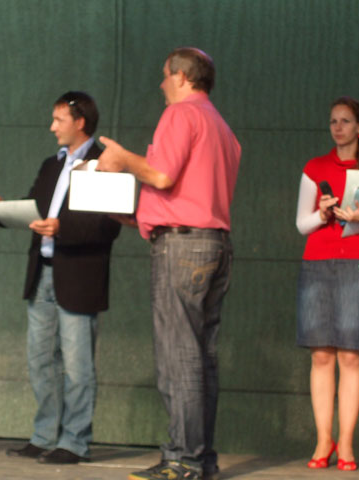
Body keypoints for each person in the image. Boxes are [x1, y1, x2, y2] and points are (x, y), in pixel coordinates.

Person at [97, 47, 241, 480]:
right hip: (214, 243)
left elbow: (162, 175)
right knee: (201, 357)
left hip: (182, 248)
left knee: (179, 356)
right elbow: (191, 191)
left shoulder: (181, 114)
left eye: (164, 75)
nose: (161, 84)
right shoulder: (222, 128)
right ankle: (200, 458)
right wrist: (138, 214)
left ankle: (184, 460)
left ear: (181, 75)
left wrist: (122, 160)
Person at [4, 91, 121, 464]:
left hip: (79, 276)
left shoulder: (104, 162)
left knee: (77, 365)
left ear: (80, 121)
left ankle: (74, 442)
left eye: (59, 120)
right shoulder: (51, 165)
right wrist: (0, 213)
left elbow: (108, 225)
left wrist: (61, 229)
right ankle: (45, 436)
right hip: (42, 273)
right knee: (41, 360)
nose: (52, 127)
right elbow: (35, 207)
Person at [295, 97, 359, 471]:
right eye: (333, 121)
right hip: (317, 264)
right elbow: (302, 224)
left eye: (345, 121)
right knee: (321, 354)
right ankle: (324, 439)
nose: (337, 128)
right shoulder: (315, 167)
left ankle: (348, 443)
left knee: (350, 355)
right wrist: (322, 214)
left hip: (358, 264)